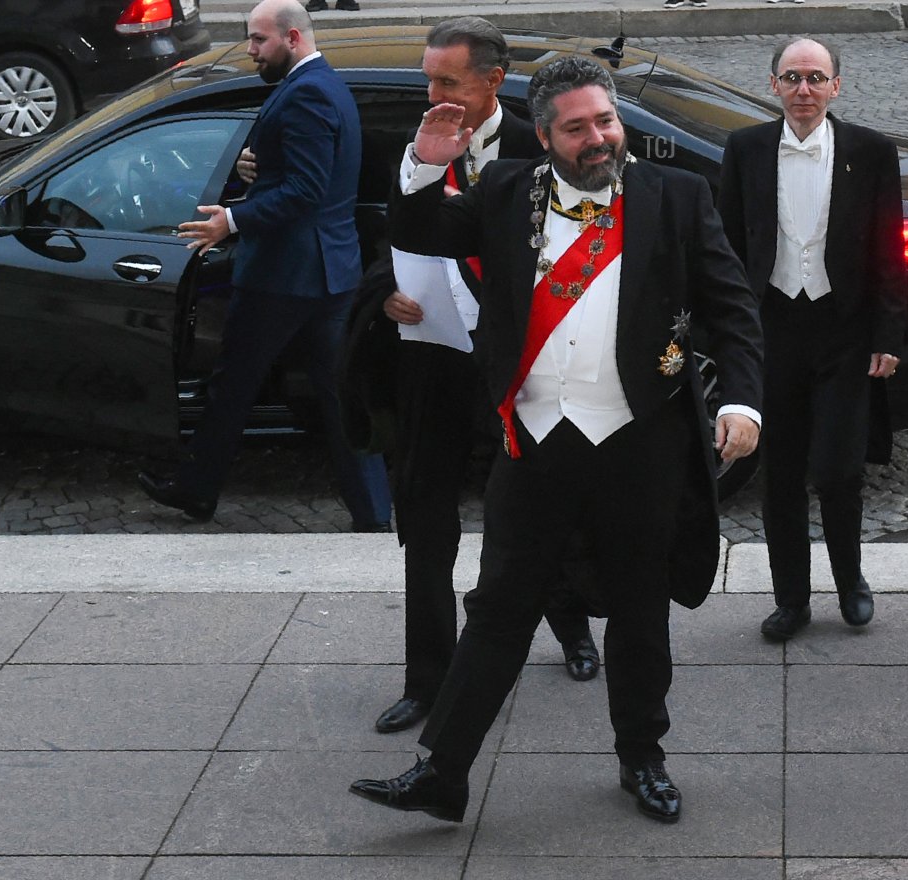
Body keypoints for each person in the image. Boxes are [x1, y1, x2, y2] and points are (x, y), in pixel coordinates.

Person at [350, 56, 763, 824]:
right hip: (535, 441)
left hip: (638, 444)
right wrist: (422, 169)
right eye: (577, 128)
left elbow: (733, 309)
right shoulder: (505, 192)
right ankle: (442, 771)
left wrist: (741, 401)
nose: (598, 137)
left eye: (606, 121)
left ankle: (644, 758)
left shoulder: (676, 197)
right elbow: (424, 231)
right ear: (544, 136)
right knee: (501, 608)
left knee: (642, 612)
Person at [358, 18, 601, 736]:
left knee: (537, 511)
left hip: (521, 365)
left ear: (493, 82)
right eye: (429, 78)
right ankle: (427, 680)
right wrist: (384, 294)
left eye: (448, 82)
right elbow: (393, 240)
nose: (432, 94)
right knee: (426, 524)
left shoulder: (542, 146)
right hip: (432, 362)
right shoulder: (420, 147)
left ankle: (573, 629)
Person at [137, 0, 391, 532]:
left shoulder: (307, 95)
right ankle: (372, 512)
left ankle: (196, 488)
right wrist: (260, 169)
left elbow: (305, 190)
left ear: (293, 38)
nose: (250, 50)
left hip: (284, 274)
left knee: (232, 387)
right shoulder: (324, 86)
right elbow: (304, 175)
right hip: (327, 270)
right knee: (337, 395)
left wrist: (231, 220)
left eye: (258, 40)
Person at [717, 37, 906, 641]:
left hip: (844, 332)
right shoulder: (744, 148)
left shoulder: (871, 151)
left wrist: (887, 332)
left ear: (835, 87)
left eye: (815, 78)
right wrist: (732, 332)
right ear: (774, 85)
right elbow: (726, 245)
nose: (804, 89)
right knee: (781, 472)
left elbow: (888, 248)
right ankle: (791, 600)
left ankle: (851, 583)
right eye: (793, 77)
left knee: (839, 469)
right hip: (772, 331)